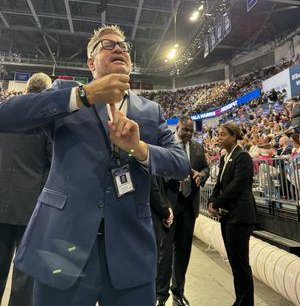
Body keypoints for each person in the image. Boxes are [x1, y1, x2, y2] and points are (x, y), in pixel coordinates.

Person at [0, 25, 190, 306]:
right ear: (90, 62)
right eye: (108, 44)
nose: (119, 49)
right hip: (63, 245)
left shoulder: (150, 110)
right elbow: (7, 116)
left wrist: (138, 148)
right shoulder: (66, 93)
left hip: (129, 251)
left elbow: (181, 164)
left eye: (124, 46)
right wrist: (84, 95)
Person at [0, 73, 53, 306]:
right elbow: (55, 164)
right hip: (32, 207)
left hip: (1, 201)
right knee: (25, 276)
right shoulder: (45, 120)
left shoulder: (5, 112)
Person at [156, 116, 209, 306]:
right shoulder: (166, 146)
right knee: (165, 252)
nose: (187, 133)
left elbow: (205, 168)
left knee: (184, 251)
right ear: (177, 128)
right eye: (184, 129)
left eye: (190, 131)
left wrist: (201, 175)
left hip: (189, 206)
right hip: (170, 204)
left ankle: (178, 292)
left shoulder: (197, 148)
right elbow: (158, 173)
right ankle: (161, 295)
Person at [208, 123, 256, 306]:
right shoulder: (224, 157)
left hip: (240, 216)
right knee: (235, 263)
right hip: (228, 216)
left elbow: (237, 185)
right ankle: (240, 300)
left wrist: (218, 202)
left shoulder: (242, 156)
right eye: (217, 135)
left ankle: (246, 303)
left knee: (241, 263)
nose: (218, 138)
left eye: (222, 135)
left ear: (234, 137)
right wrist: (212, 200)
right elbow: (219, 183)